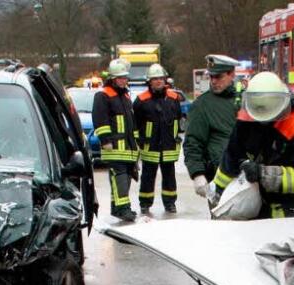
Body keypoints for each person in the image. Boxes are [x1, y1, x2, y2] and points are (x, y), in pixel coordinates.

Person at [211, 71, 294, 218]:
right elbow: (231, 157)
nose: (262, 123)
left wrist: (262, 174)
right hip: (256, 207)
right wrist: (216, 193)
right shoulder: (247, 120)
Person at [183, 54, 243, 198]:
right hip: (219, 178)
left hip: (247, 176)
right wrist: (197, 174)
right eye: (211, 77)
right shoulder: (202, 105)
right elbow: (193, 142)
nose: (214, 81)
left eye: (219, 77)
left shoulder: (244, 100)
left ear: (231, 74)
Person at [92, 58, 139, 223]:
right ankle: (123, 209)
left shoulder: (125, 96)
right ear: (112, 78)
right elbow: (100, 119)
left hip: (128, 148)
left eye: (125, 77)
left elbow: (131, 122)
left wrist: (136, 143)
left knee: (125, 178)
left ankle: (118, 208)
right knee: (119, 178)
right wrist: (105, 140)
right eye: (120, 77)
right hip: (114, 147)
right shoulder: (103, 95)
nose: (123, 80)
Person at [133, 63, 182, 215]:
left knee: (169, 176)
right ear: (149, 81)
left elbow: (178, 120)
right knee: (148, 176)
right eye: (155, 79)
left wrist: (176, 138)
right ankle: (145, 204)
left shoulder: (174, 98)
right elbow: (135, 123)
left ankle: (170, 203)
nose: (158, 81)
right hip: (150, 145)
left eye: (161, 78)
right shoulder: (141, 100)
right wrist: (139, 141)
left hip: (168, 144)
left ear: (165, 80)